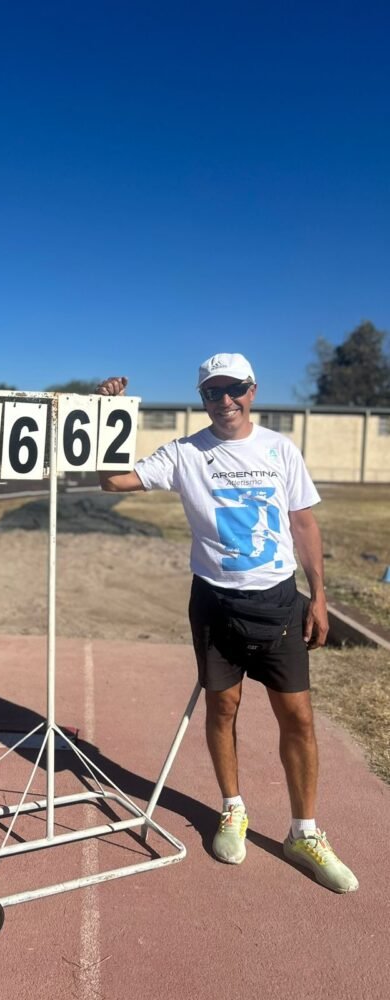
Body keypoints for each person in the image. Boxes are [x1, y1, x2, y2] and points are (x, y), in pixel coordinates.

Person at [96, 353, 358, 893]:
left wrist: (320, 596)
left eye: (233, 389)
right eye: (213, 393)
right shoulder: (186, 453)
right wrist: (106, 415)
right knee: (223, 707)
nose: (224, 401)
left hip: (279, 603)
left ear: (252, 390)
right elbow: (113, 481)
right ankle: (232, 809)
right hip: (216, 604)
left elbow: (303, 524)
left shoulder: (280, 449)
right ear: (203, 399)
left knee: (299, 720)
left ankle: (304, 832)